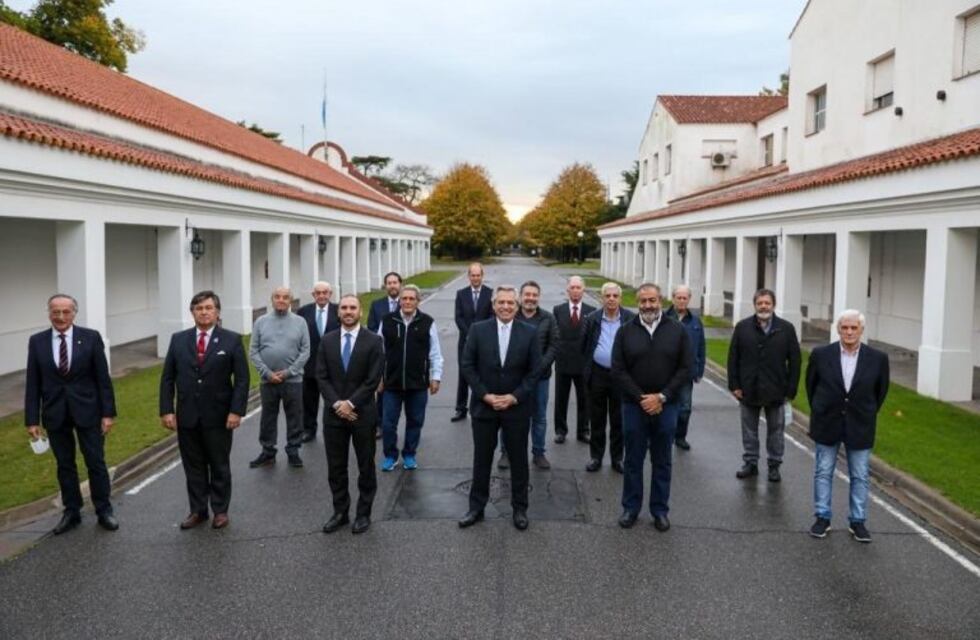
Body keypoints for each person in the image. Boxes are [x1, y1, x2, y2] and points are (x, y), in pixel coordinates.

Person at [25, 294, 118, 534]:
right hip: (55, 413)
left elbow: (103, 379)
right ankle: (72, 511)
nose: (60, 317)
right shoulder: (37, 341)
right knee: (65, 465)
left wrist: (108, 414)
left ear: (74, 313)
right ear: (49, 313)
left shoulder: (91, 337)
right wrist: (32, 419)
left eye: (66, 311)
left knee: (95, 462)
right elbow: (33, 382)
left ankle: (104, 510)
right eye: (55, 312)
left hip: (89, 411)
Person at [159, 291, 250, 530]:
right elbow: (167, 378)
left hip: (218, 416)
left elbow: (242, 380)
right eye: (199, 308)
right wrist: (167, 410)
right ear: (192, 312)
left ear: (217, 312)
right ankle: (198, 510)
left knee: (219, 464)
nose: (204, 312)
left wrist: (236, 411)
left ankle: (220, 510)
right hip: (187, 415)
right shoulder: (178, 340)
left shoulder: (231, 340)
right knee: (193, 466)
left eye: (209, 308)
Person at [458, 285, 541, 531]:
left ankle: (520, 508)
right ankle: (476, 507)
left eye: (510, 303)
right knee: (482, 459)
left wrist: (514, 397)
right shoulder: (478, 330)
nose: (505, 307)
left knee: (518, 459)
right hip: (485, 407)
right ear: (493, 306)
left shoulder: (530, 333)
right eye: (501, 302)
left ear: (517, 306)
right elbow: (467, 365)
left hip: (516, 408)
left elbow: (535, 372)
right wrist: (485, 395)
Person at [806, 309, 889, 543]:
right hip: (827, 421)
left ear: (861, 330)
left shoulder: (878, 359)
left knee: (860, 475)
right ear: (838, 330)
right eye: (845, 327)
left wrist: (865, 411)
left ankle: (857, 521)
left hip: (860, 423)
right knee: (823, 471)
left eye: (854, 328)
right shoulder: (821, 354)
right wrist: (821, 409)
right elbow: (811, 386)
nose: (849, 332)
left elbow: (880, 392)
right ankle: (822, 517)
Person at [613, 284, 691, 531]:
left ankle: (659, 510)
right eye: (643, 301)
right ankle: (631, 508)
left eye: (652, 300)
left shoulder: (677, 330)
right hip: (634, 406)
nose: (648, 305)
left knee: (662, 460)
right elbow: (618, 369)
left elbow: (685, 368)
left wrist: (662, 397)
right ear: (637, 302)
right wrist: (642, 398)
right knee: (633, 460)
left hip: (666, 406)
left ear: (661, 301)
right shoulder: (625, 331)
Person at [316, 294, 384, 535]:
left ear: (360, 311)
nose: (348, 311)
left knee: (366, 466)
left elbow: (373, 379)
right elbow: (321, 376)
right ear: (338, 312)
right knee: (336, 467)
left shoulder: (374, 341)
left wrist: (351, 403)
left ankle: (363, 514)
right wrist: (338, 404)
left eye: (352, 307)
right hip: (334, 415)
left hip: (362, 414)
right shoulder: (327, 341)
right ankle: (340, 512)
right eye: (344, 307)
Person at [727, 288, 801, 482]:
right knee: (749, 430)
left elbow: (795, 361)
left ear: (773, 305)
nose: (763, 306)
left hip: (777, 390)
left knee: (776, 431)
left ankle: (774, 465)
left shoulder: (786, 329)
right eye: (760, 303)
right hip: (748, 389)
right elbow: (733, 358)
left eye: (767, 303)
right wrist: (734, 384)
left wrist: (791, 389)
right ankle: (750, 463)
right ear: (755, 305)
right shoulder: (742, 327)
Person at [378, 284, 443, 471]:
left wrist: (435, 377)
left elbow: (435, 353)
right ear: (399, 301)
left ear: (418, 301)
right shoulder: (387, 321)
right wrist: (378, 377)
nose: (407, 302)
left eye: (411, 299)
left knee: (415, 421)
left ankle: (409, 454)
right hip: (391, 384)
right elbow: (378, 352)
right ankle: (390, 456)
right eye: (404, 298)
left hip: (418, 384)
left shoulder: (427, 322)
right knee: (388, 423)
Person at [249, 286, 310, 468]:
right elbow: (253, 351)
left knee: (295, 417)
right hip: (268, 380)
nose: (281, 300)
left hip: (293, 380)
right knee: (268, 418)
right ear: (272, 299)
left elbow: (305, 351)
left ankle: (293, 450)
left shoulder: (300, 322)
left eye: (285, 297)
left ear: (290, 300)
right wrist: (267, 373)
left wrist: (288, 372)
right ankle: (268, 451)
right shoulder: (260, 322)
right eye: (277, 297)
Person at [501, 280, 558, 471]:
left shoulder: (548, 318)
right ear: (520, 297)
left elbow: (554, 345)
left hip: (540, 378)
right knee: (509, 416)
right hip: (514, 377)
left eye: (534, 295)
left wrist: (539, 367)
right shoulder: (511, 315)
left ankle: (538, 453)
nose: (530, 298)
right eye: (527, 294)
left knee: (539, 416)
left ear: (538, 297)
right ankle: (506, 453)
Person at [581, 283, 636, 473]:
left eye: (615, 296)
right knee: (597, 419)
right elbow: (584, 346)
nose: (611, 299)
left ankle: (617, 459)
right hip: (597, 374)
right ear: (602, 298)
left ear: (620, 298)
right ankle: (596, 457)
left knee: (618, 419)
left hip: (620, 376)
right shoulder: (592, 319)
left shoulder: (630, 318)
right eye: (607, 295)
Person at [552, 275, 595, 445]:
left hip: (583, 363)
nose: (575, 291)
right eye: (573, 287)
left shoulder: (592, 310)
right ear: (567, 290)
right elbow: (555, 335)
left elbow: (593, 338)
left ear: (583, 290)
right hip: (563, 361)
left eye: (578, 288)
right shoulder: (558, 310)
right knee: (561, 399)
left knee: (585, 399)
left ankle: (583, 431)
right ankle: (560, 431)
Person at [663, 284, 706, 450]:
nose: (681, 301)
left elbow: (701, 347)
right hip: (664, 373)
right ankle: (662, 436)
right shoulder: (663, 318)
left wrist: (699, 370)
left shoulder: (695, 322)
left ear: (689, 300)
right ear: (673, 298)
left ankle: (680, 437)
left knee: (685, 409)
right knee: (663, 406)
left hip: (686, 373)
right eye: (678, 297)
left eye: (684, 298)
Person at [297, 281, 339, 443]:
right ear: (313, 295)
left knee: (333, 399)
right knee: (308, 401)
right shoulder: (303, 312)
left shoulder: (339, 310)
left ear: (330, 294)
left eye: (325, 292)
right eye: (318, 293)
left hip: (333, 365)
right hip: (309, 364)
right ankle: (308, 429)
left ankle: (335, 429)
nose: (321, 296)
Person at [451, 262, 493, 422]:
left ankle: (480, 406)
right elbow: (458, 317)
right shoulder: (461, 294)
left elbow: (492, 315)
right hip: (465, 341)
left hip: (484, 342)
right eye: (473, 275)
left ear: (482, 276)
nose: (475, 278)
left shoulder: (490, 293)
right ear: (468, 276)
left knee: (482, 374)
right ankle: (460, 408)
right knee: (464, 374)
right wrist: (470, 334)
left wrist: (481, 334)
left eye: (478, 275)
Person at [367, 272, 403, 440]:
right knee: (381, 391)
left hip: (401, 354)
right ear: (385, 286)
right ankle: (380, 424)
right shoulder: (377, 305)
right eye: (389, 283)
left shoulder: (407, 302)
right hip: (382, 354)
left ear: (400, 284)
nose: (392, 285)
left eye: (395, 282)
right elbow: (371, 327)